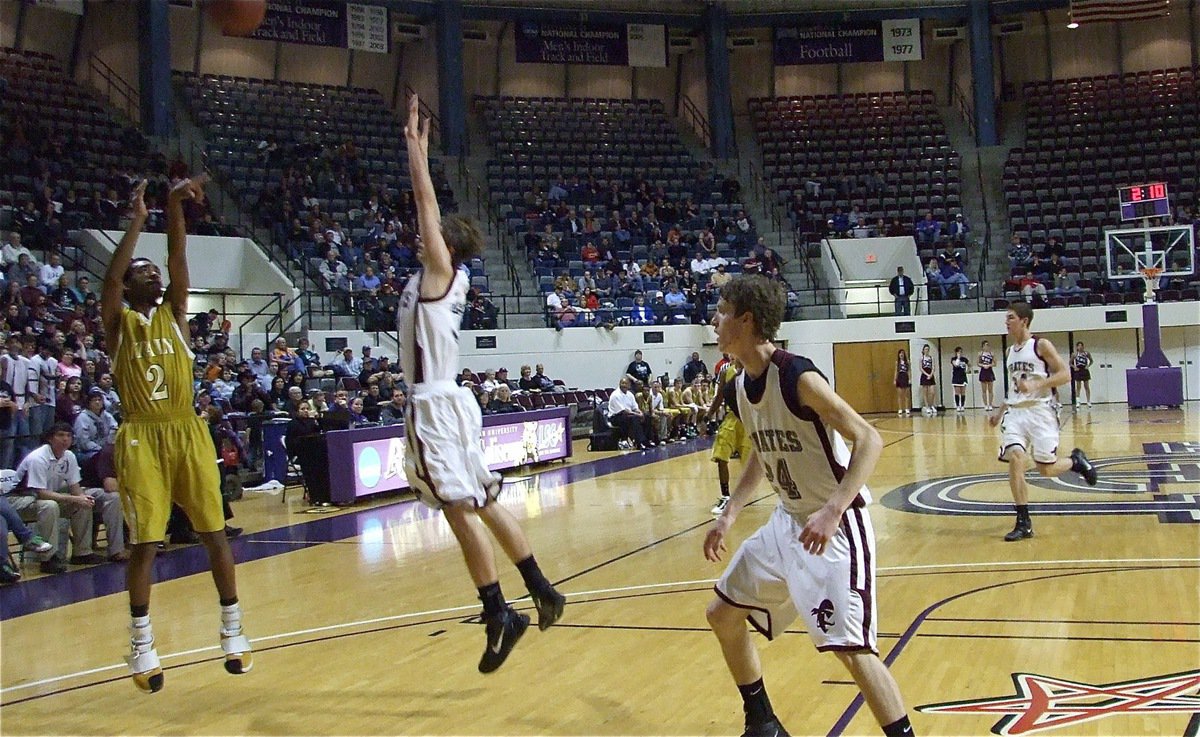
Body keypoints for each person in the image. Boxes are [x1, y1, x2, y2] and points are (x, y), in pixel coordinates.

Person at [703, 275, 914, 737]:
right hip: (787, 523)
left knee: (853, 651)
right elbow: (762, 450)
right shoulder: (740, 385)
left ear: (746, 319)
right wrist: (730, 514)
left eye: (721, 310)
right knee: (722, 613)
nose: (714, 319)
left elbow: (869, 438)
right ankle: (762, 722)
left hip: (835, 526)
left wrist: (834, 508)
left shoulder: (797, 375)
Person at [398, 95, 564, 674]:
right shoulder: (447, 276)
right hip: (452, 401)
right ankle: (540, 586)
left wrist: (417, 152)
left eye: (434, 237)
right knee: (486, 498)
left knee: (457, 507)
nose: (423, 239)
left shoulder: (440, 271)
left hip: (434, 404)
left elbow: (424, 203)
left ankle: (499, 611)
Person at [101, 177, 252, 693]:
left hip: (187, 430)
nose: (155, 275)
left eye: (156, 271)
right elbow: (110, 281)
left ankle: (233, 630)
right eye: (144, 272)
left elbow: (179, 254)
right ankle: (141, 643)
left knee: (213, 531)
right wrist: (139, 221)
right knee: (146, 542)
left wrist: (173, 207)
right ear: (131, 284)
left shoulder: (176, 315)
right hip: (142, 435)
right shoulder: (119, 324)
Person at [988, 302, 1098, 542]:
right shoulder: (1010, 352)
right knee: (1016, 458)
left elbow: (1065, 375)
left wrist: (1036, 385)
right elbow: (1015, 387)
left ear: (1024, 321)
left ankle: (1075, 461)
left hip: (1041, 413)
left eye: (1011, 318)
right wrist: (999, 411)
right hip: (1016, 415)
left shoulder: (1040, 345)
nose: (1006, 322)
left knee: (1046, 469)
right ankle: (1023, 522)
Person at [704, 358, 749, 516]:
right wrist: (708, 416)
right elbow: (719, 397)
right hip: (731, 418)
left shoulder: (752, 368)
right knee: (721, 457)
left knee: (753, 463)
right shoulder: (725, 371)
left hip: (748, 420)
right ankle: (725, 496)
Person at [1070, 342, 1094, 407]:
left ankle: (1088, 401)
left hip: (1085, 370)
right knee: (1078, 387)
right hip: (1078, 370)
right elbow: (1070, 363)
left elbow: (1091, 361)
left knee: (1086, 386)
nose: (1080, 347)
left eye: (1081, 346)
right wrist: (1074, 367)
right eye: (1078, 346)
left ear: (1083, 347)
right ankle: (1078, 402)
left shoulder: (1086, 353)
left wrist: (1088, 366)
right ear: (1077, 347)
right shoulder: (1074, 354)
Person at [948, 347, 970, 413]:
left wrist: (967, 370)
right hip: (956, 377)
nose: (960, 353)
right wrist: (958, 358)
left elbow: (969, 365)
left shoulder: (964, 359)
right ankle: (958, 406)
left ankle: (962, 406)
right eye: (958, 352)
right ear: (956, 352)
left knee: (963, 392)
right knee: (957, 392)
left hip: (963, 377)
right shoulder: (953, 359)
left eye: (961, 352)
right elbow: (956, 365)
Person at [976, 340, 996, 412]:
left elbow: (995, 363)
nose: (986, 346)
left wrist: (989, 365)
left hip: (989, 371)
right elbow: (978, 363)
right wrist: (983, 365)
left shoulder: (991, 353)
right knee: (984, 390)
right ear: (982, 346)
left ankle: (990, 404)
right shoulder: (980, 354)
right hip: (983, 371)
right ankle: (985, 405)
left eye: (988, 345)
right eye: (985, 345)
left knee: (990, 390)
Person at [918, 344, 936, 416]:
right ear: (923, 350)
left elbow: (933, 367)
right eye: (925, 349)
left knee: (932, 392)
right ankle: (927, 406)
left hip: (930, 374)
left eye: (928, 349)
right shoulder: (921, 358)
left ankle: (931, 405)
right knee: (925, 392)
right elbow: (920, 368)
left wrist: (931, 374)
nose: (927, 350)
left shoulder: (931, 358)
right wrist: (927, 375)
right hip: (924, 375)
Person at [894, 349, 911, 416]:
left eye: (902, 353)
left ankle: (907, 408)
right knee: (900, 395)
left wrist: (910, 379)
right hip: (899, 377)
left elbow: (909, 371)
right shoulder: (897, 362)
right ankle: (900, 409)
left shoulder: (907, 362)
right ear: (898, 355)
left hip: (905, 377)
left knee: (906, 394)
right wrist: (895, 379)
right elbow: (896, 371)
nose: (901, 354)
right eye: (900, 353)